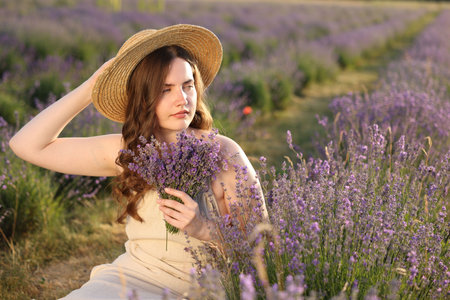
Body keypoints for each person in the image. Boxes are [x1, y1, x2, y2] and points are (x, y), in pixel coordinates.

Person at [9, 24, 266, 299]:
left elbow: (262, 245)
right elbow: (26, 145)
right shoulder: (127, 151)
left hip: (202, 290)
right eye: (165, 89)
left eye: (187, 86)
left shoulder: (223, 153)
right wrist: (91, 86)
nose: (182, 99)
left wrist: (203, 227)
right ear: (142, 97)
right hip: (131, 279)